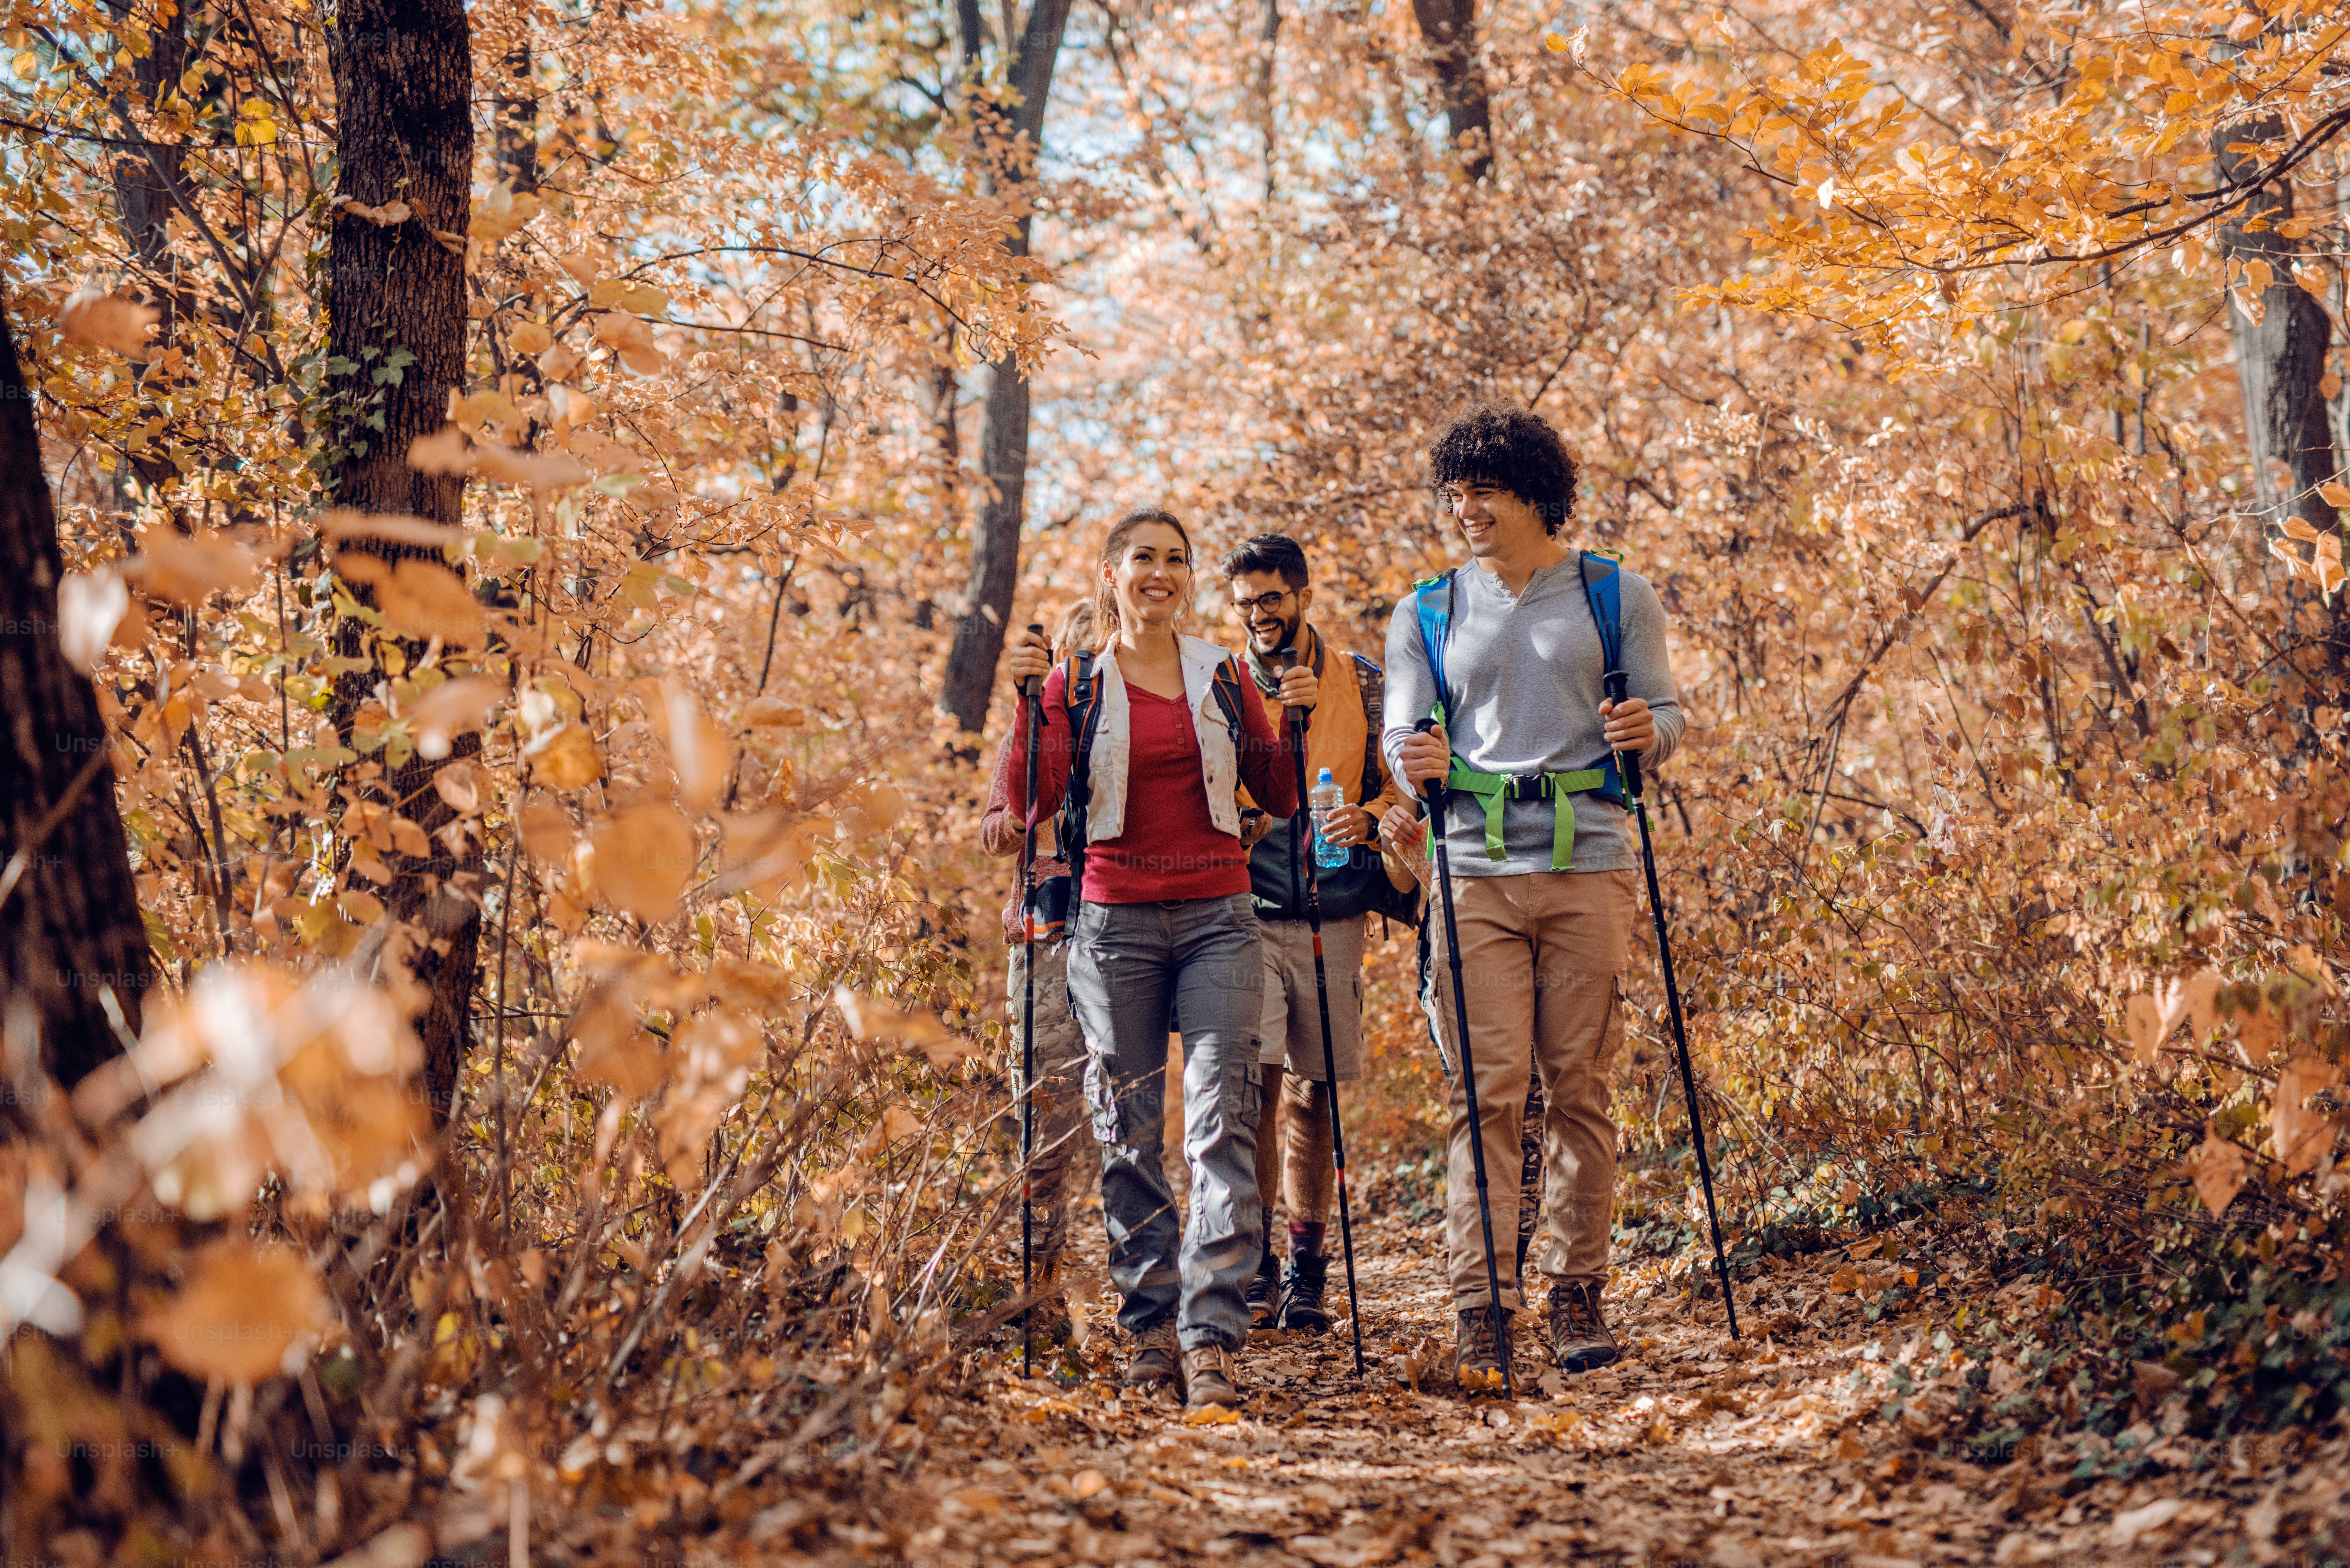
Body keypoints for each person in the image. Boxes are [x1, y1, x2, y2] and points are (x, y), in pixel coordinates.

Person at [1382, 402, 1685, 1389]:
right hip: (1471, 871)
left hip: (1590, 864)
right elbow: (1400, 730)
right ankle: (1483, 1306)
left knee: (1582, 1087)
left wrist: (1650, 731)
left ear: (1534, 492)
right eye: (1455, 491)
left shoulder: (1614, 594)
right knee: (1487, 1094)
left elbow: (1667, 712)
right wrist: (1411, 752)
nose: (1465, 507)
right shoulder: (1428, 610)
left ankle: (1576, 1292)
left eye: (1484, 489)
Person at [1004, 506, 1314, 1411]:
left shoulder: (1219, 671)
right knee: (1127, 1132)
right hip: (1115, 927)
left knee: (1224, 1126)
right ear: (1111, 575)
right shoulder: (1076, 681)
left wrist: (1291, 722)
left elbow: (1278, 792)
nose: (1161, 574)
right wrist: (1028, 704)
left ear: (1188, 578)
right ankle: (1150, 1332)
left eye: (1177, 561)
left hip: (1220, 915)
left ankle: (1211, 1338)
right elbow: (1038, 798)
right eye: (1144, 559)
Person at [1219, 533, 1402, 1334]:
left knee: (1314, 1090)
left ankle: (1308, 1268)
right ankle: (1256, 1266)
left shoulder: (1358, 682)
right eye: (1244, 602)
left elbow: (1400, 784)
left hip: (1334, 909)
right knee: (1254, 1086)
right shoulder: (1218, 684)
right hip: (1245, 910)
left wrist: (1369, 815)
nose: (1258, 614)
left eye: (1270, 598)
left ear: (1299, 595)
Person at [978, 602, 1099, 1334]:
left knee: (1127, 1115)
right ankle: (1039, 1287)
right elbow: (995, 827)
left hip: (1140, 924)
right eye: (1075, 659)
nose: (1085, 676)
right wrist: (1020, 821)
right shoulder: (1035, 719)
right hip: (1048, 933)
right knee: (1048, 1117)